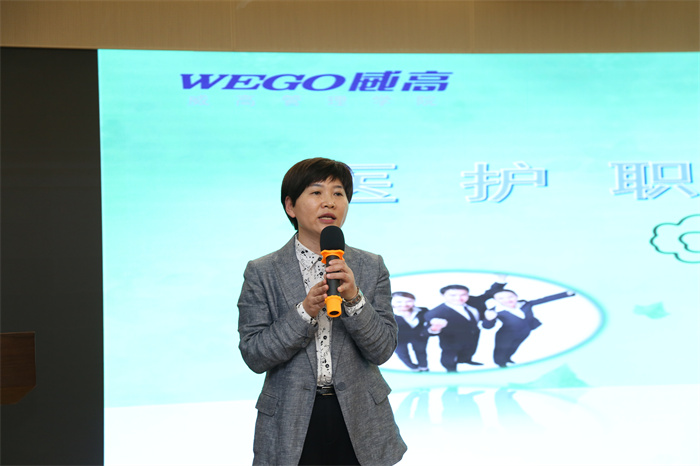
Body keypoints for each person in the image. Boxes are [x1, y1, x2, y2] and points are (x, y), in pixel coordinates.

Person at [237, 158, 407, 466]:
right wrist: (303, 312)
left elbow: (382, 350)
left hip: (361, 417)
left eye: (338, 193)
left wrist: (354, 299)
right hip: (290, 419)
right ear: (290, 206)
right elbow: (255, 355)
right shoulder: (262, 272)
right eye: (316, 192)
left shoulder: (370, 266)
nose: (329, 202)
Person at [483, 289, 576, 368]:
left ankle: (508, 358)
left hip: (524, 332)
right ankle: (500, 364)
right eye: (501, 298)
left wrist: (566, 294)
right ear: (495, 300)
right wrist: (488, 319)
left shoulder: (525, 304)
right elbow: (487, 327)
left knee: (514, 347)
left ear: (516, 296)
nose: (507, 300)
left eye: (510, 296)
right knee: (501, 349)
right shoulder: (494, 310)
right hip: (506, 335)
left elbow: (545, 299)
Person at [424, 282, 505, 372]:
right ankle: (451, 371)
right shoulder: (434, 313)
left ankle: (465, 360)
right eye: (453, 295)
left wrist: (500, 281)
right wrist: (434, 329)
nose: (458, 298)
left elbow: (489, 293)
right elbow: (424, 332)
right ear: (443, 295)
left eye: (463, 295)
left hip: (473, 336)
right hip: (452, 341)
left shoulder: (474, 301)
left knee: (470, 351)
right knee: (449, 358)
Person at [391, 291, 430, 371]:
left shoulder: (423, 310)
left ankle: (424, 367)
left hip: (418, 336)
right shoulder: (387, 314)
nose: (404, 304)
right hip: (399, 338)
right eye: (399, 302)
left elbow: (430, 322)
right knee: (402, 353)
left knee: (421, 352)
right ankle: (413, 368)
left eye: (408, 301)